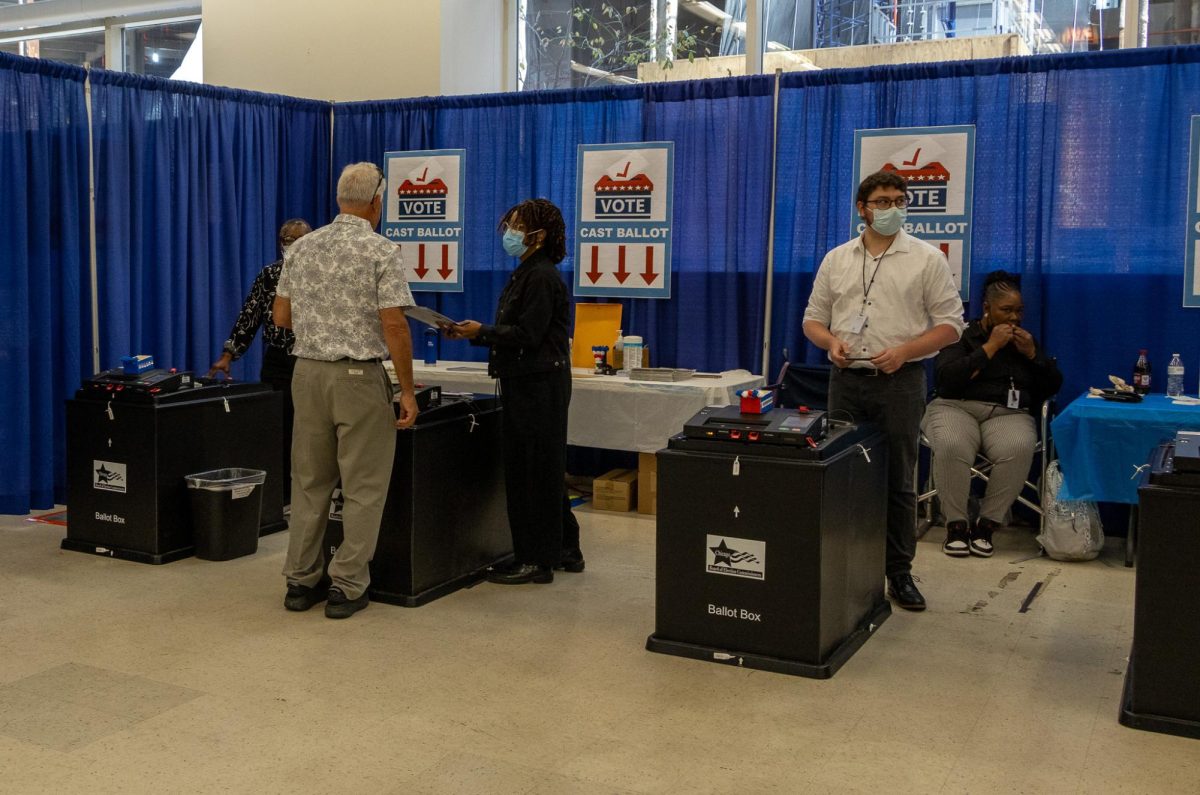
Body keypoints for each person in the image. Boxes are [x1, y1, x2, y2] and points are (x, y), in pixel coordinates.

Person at [802, 170, 964, 611]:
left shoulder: (927, 259)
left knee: (898, 478)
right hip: (846, 382)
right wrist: (829, 342)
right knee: (841, 475)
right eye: (882, 201)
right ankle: (844, 563)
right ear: (862, 208)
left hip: (900, 383)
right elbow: (813, 320)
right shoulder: (836, 259)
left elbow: (952, 326)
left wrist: (907, 350)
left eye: (898, 200)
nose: (891, 208)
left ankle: (899, 571)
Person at [273, 162, 419, 619]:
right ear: (377, 202)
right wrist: (408, 391)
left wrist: (323, 326)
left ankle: (300, 582)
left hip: (307, 373)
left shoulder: (302, 247)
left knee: (309, 482)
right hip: (358, 378)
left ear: (340, 199)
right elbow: (394, 324)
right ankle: (347, 586)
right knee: (363, 486)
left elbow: (281, 317)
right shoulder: (382, 250)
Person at [443, 198, 582, 585]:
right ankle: (566, 549)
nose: (510, 232)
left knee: (530, 471)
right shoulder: (527, 272)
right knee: (545, 468)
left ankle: (535, 560)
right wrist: (475, 333)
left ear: (538, 235)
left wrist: (481, 332)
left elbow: (528, 335)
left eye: (518, 226)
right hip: (533, 381)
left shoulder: (540, 276)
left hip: (537, 384)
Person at [922, 270, 1062, 558]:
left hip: (1007, 413)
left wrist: (1034, 355)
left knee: (1018, 446)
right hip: (955, 406)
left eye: (1019, 311)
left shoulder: (1025, 341)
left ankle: (987, 525)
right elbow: (947, 381)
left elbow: (1052, 385)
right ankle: (956, 526)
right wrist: (991, 347)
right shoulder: (959, 335)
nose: (1014, 318)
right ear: (987, 308)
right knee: (951, 444)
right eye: (1006, 310)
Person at [208, 218, 312, 502]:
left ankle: (307, 493)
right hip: (277, 359)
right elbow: (249, 316)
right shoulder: (269, 275)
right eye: (286, 240)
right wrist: (229, 354)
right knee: (276, 426)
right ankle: (280, 494)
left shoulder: (321, 274)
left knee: (307, 429)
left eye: (298, 240)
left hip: (310, 359)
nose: (291, 246)